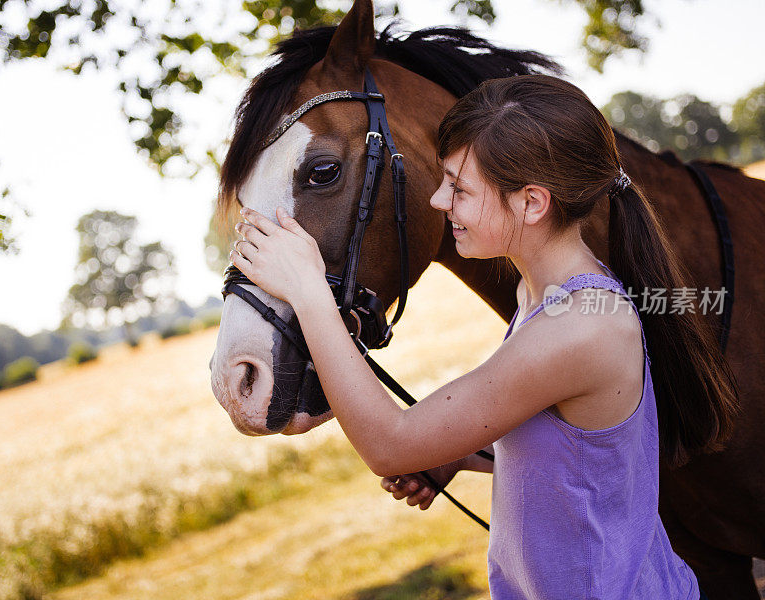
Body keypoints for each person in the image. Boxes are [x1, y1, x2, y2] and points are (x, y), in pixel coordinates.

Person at [230, 74, 738, 599]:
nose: (437, 200)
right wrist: (472, 457)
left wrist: (310, 293)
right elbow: (585, 464)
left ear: (532, 203)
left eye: (460, 187)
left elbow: (390, 444)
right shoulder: (541, 297)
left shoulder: (581, 326)